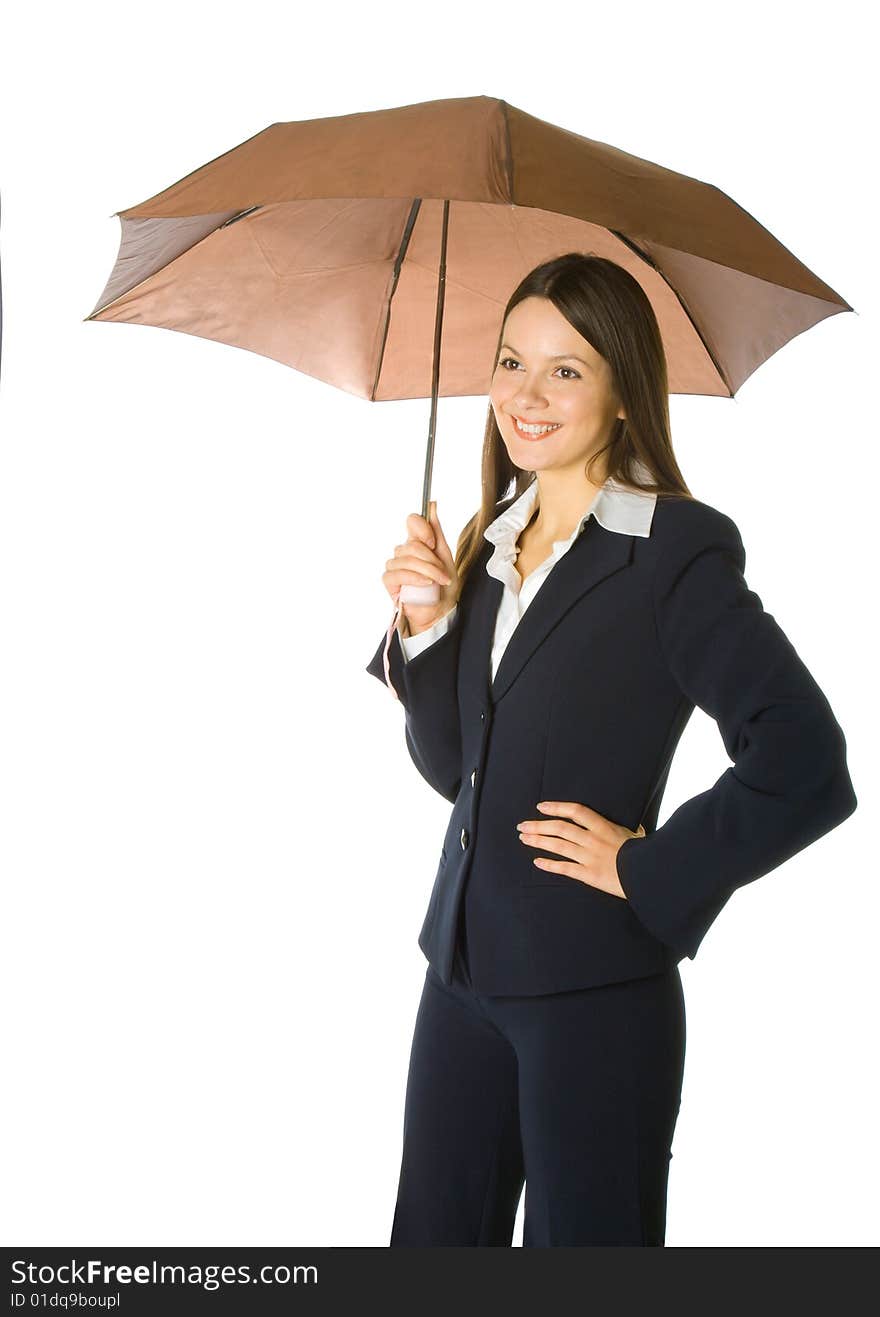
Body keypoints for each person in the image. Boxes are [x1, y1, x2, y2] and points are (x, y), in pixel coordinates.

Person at [365, 253, 857, 1247]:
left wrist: (647, 865)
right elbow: (456, 767)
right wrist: (423, 623)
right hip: (458, 973)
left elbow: (804, 761)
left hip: (592, 998)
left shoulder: (673, 552)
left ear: (624, 393)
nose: (525, 395)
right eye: (511, 361)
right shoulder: (489, 540)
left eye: (566, 369)